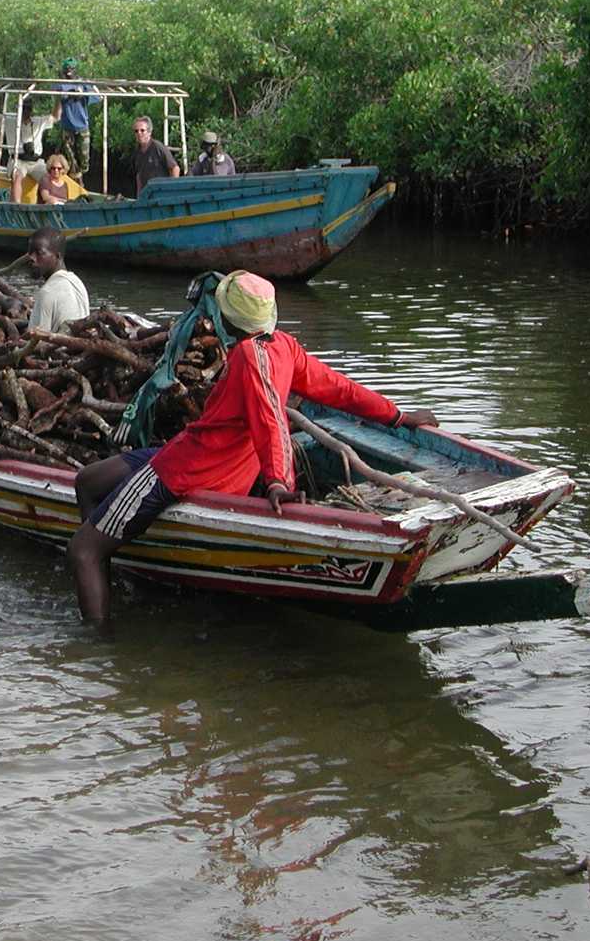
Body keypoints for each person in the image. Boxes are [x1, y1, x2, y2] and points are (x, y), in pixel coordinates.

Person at [65, 271, 439, 624]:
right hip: (195, 454)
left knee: (82, 551)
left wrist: (279, 482)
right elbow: (339, 389)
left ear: (226, 321)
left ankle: (99, 645)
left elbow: (270, 417)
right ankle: (115, 563)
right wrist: (397, 415)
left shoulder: (249, 356)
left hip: (186, 471)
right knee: (88, 481)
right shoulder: (284, 347)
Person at [0, 94, 61, 199]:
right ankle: (16, 205)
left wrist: (59, 98)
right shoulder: (10, 121)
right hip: (18, 161)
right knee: (17, 176)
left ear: (31, 110)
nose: (26, 111)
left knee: (48, 178)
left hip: (35, 162)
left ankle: (50, 203)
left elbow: (56, 117)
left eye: (28, 109)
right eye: (23, 108)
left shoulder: (38, 121)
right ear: (19, 109)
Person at [24, 226, 88, 333]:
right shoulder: (78, 282)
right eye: (30, 253)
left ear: (57, 256)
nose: (32, 258)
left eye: (39, 253)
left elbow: (36, 343)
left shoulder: (47, 292)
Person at [54, 58, 101, 181]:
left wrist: (83, 92)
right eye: (66, 69)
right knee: (70, 161)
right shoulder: (60, 84)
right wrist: (71, 92)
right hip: (67, 128)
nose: (69, 71)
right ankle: (74, 183)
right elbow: (59, 93)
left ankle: (79, 182)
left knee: (84, 163)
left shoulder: (83, 84)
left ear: (75, 70)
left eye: (71, 68)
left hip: (82, 127)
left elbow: (98, 97)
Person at [130, 116, 179, 197]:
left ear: (149, 132)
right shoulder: (137, 151)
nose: (139, 133)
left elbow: (175, 168)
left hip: (162, 194)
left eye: (142, 130)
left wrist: (172, 192)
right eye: (136, 131)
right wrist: (139, 197)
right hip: (147, 196)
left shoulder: (158, 147)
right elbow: (139, 176)